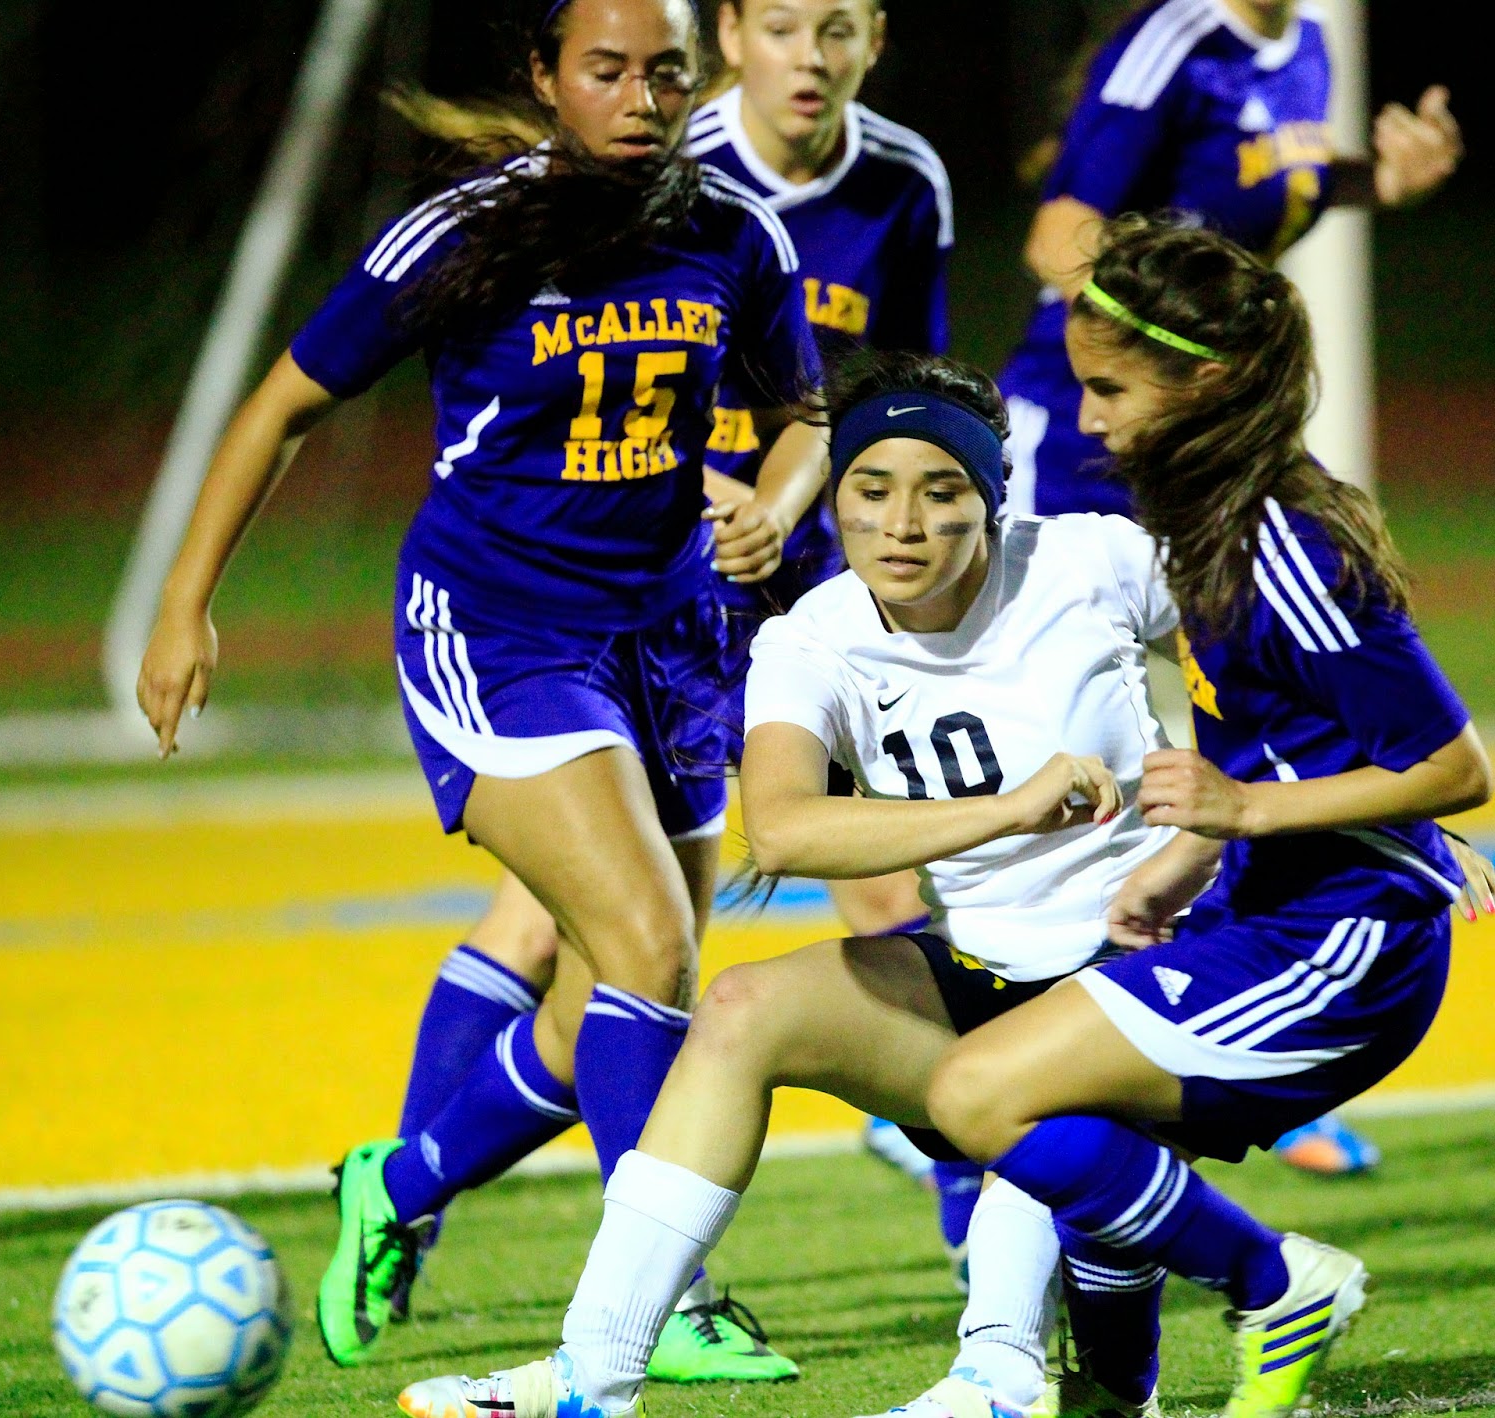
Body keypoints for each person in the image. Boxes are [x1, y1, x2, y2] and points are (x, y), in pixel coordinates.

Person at [134, 0, 827, 1373]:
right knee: (645, 945)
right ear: (545, 78)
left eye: (664, 73)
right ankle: (661, 1304)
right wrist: (181, 601)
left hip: (670, 631)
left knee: (622, 994)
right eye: (606, 70)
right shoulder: (466, 234)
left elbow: (803, 411)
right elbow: (283, 406)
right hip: (499, 626)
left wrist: (774, 500)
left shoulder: (734, 233)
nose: (640, 98)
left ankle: (397, 1183)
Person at [395, 344, 1197, 1418]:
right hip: (983, 971)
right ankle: (593, 1371)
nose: (900, 524)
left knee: (1032, 1098)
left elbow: (1274, 671)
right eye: (869, 490)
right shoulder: (813, 634)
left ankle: (998, 1370)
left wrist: (1281, 822)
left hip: (1163, 978)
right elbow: (778, 827)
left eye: (940, 491)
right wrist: (1008, 808)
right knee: (739, 1007)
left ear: (992, 496)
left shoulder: (1092, 560)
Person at [385, 0, 967, 1348]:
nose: (811, 57)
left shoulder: (902, 182)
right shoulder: (656, 167)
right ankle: (450, 1202)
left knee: (842, 887)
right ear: (729, 42)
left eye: (841, 28)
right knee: (576, 933)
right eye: (784, 26)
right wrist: (693, 485)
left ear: (878, 38)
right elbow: (586, 401)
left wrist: (892, 525)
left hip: (810, 581)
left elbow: (881, 384)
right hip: (656, 598)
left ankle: (964, 1209)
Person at [907, 216, 1490, 1418]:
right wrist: (1189, 852)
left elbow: (1452, 762)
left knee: (982, 1093)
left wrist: (1246, 809)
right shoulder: (1204, 515)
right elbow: (1273, 733)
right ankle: (1112, 1395)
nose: (1087, 419)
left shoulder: (1286, 537)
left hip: (1345, 942)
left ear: (1206, 385)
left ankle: (1278, 1282)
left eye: (1110, 388)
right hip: (1276, 902)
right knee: (1076, 1116)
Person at [990, 0, 1463, 1181]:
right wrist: (1157, 331)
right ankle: (1095, 1008)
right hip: (1078, 443)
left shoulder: (1301, 44)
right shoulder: (1175, 37)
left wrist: (1365, 183)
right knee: (1042, 717)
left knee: (1224, 694)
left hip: (1175, 422)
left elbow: (1251, 192)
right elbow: (1060, 234)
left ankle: (1202, 1017)